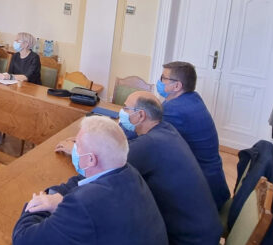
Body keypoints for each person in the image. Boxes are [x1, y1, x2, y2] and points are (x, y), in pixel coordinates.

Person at [57, 91, 222, 244]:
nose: (122, 112)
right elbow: (128, 140)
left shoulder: (150, 144)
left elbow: (106, 166)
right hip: (204, 228)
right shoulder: (165, 130)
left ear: (141, 115)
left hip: (190, 239)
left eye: (125, 108)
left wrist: (76, 150)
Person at [12, 116, 167, 245]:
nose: (74, 148)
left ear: (91, 159)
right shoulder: (129, 172)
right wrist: (57, 195)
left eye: (77, 145)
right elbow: (84, 180)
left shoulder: (82, 204)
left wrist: (39, 203)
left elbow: (23, 239)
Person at [158, 61, 230, 209]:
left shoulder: (174, 109)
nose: (159, 81)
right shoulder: (193, 98)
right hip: (214, 185)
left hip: (202, 196)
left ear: (177, 86)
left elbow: (149, 136)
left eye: (163, 78)